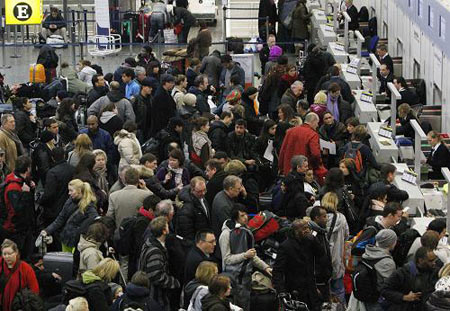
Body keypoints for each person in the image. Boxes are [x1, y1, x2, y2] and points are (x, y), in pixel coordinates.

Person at [219, 204, 271, 310]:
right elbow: (227, 259)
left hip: (245, 277)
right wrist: (244, 255)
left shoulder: (245, 231)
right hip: (233, 280)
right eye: (242, 215)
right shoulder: (225, 235)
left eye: (246, 214)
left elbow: (252, 255)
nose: (246, 217)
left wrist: (265, 267)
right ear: (235, 218)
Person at [273, 219, 325, 311]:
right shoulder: (286, 246)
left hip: (311, 287)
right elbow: (277, 270)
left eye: (308, 228)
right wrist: (281, 291)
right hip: (295, 289)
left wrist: (314, 240)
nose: (307, 231)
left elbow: (321, 254)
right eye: (304, 229)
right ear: (296, 231)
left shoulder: (309, 241)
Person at [42, 179, 98, 253]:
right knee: (66, 262)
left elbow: (93, 222)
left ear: (79, 191)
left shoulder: (89, 207)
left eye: (71, 191)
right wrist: (47, 230)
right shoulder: (70, 201)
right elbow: (60, 218)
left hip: (78, 242)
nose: (69, 193)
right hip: (66, 239)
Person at [139, 216, 181, 311]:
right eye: (167, 226)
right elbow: (156, 276)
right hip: (156, 297)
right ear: (164, 231)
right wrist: (174, 282)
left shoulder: (149, 243)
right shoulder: (155, 251)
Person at [350, 229, 397, 311]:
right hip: (378, 300)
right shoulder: (387, 262)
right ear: (391, 242)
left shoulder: (368, 252)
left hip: (368, 296)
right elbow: (389, 286)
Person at [381, 247, 439, 311]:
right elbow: (384, 290)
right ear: (420, 260)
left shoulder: (434, 272)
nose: (434, 263)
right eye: (430, 261)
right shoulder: (402, 273)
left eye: (435, 260)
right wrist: (404, 297)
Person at [2, 156, 35, 260]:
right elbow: (19, 209)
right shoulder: (14, 187)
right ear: (28, 169)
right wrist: (26, 194)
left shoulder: (17, 179)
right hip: (16, 229)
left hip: (20, 227)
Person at [279, 112, 326, 182]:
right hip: (304, 172)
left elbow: (282, 150)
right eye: (317, 123)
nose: (317, 126)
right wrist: (316, 168)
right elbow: (315, 154)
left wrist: (281, 167)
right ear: (313, 121)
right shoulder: (312, 134)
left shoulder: (290, 131)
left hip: (288, 171)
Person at [322, 192, 349, 304]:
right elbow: (347, 235)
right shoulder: (341, 218)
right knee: (338, 289)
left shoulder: (318, 218)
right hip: (337, 259)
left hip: (322, 261)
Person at [39, 147, 75, 227]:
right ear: (64, 155)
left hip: (55, 209)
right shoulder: (73, 169)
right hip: (70, 206)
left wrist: (41, 201)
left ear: (52, 157)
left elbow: (49, 194)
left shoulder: (52, 173)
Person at [0, 239, 39, 311]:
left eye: (10, 253)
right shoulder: (0, 264)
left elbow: (34, 291)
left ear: (16, 252)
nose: (7, 257)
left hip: (19, 306)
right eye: (4, 254)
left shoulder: (26, 269)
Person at [177, 177, 212, 242]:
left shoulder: (201, 198)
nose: (203, 193)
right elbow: (187, 232)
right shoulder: (186, 207)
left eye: (204, 190)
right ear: (192, 190)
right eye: (199, 191)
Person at [309, 206, 333, 301]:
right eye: (324, 216)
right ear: (316, 218)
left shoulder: (321, 232)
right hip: (317, 280)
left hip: (324, 278)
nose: (327, 219)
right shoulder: (312, 235)